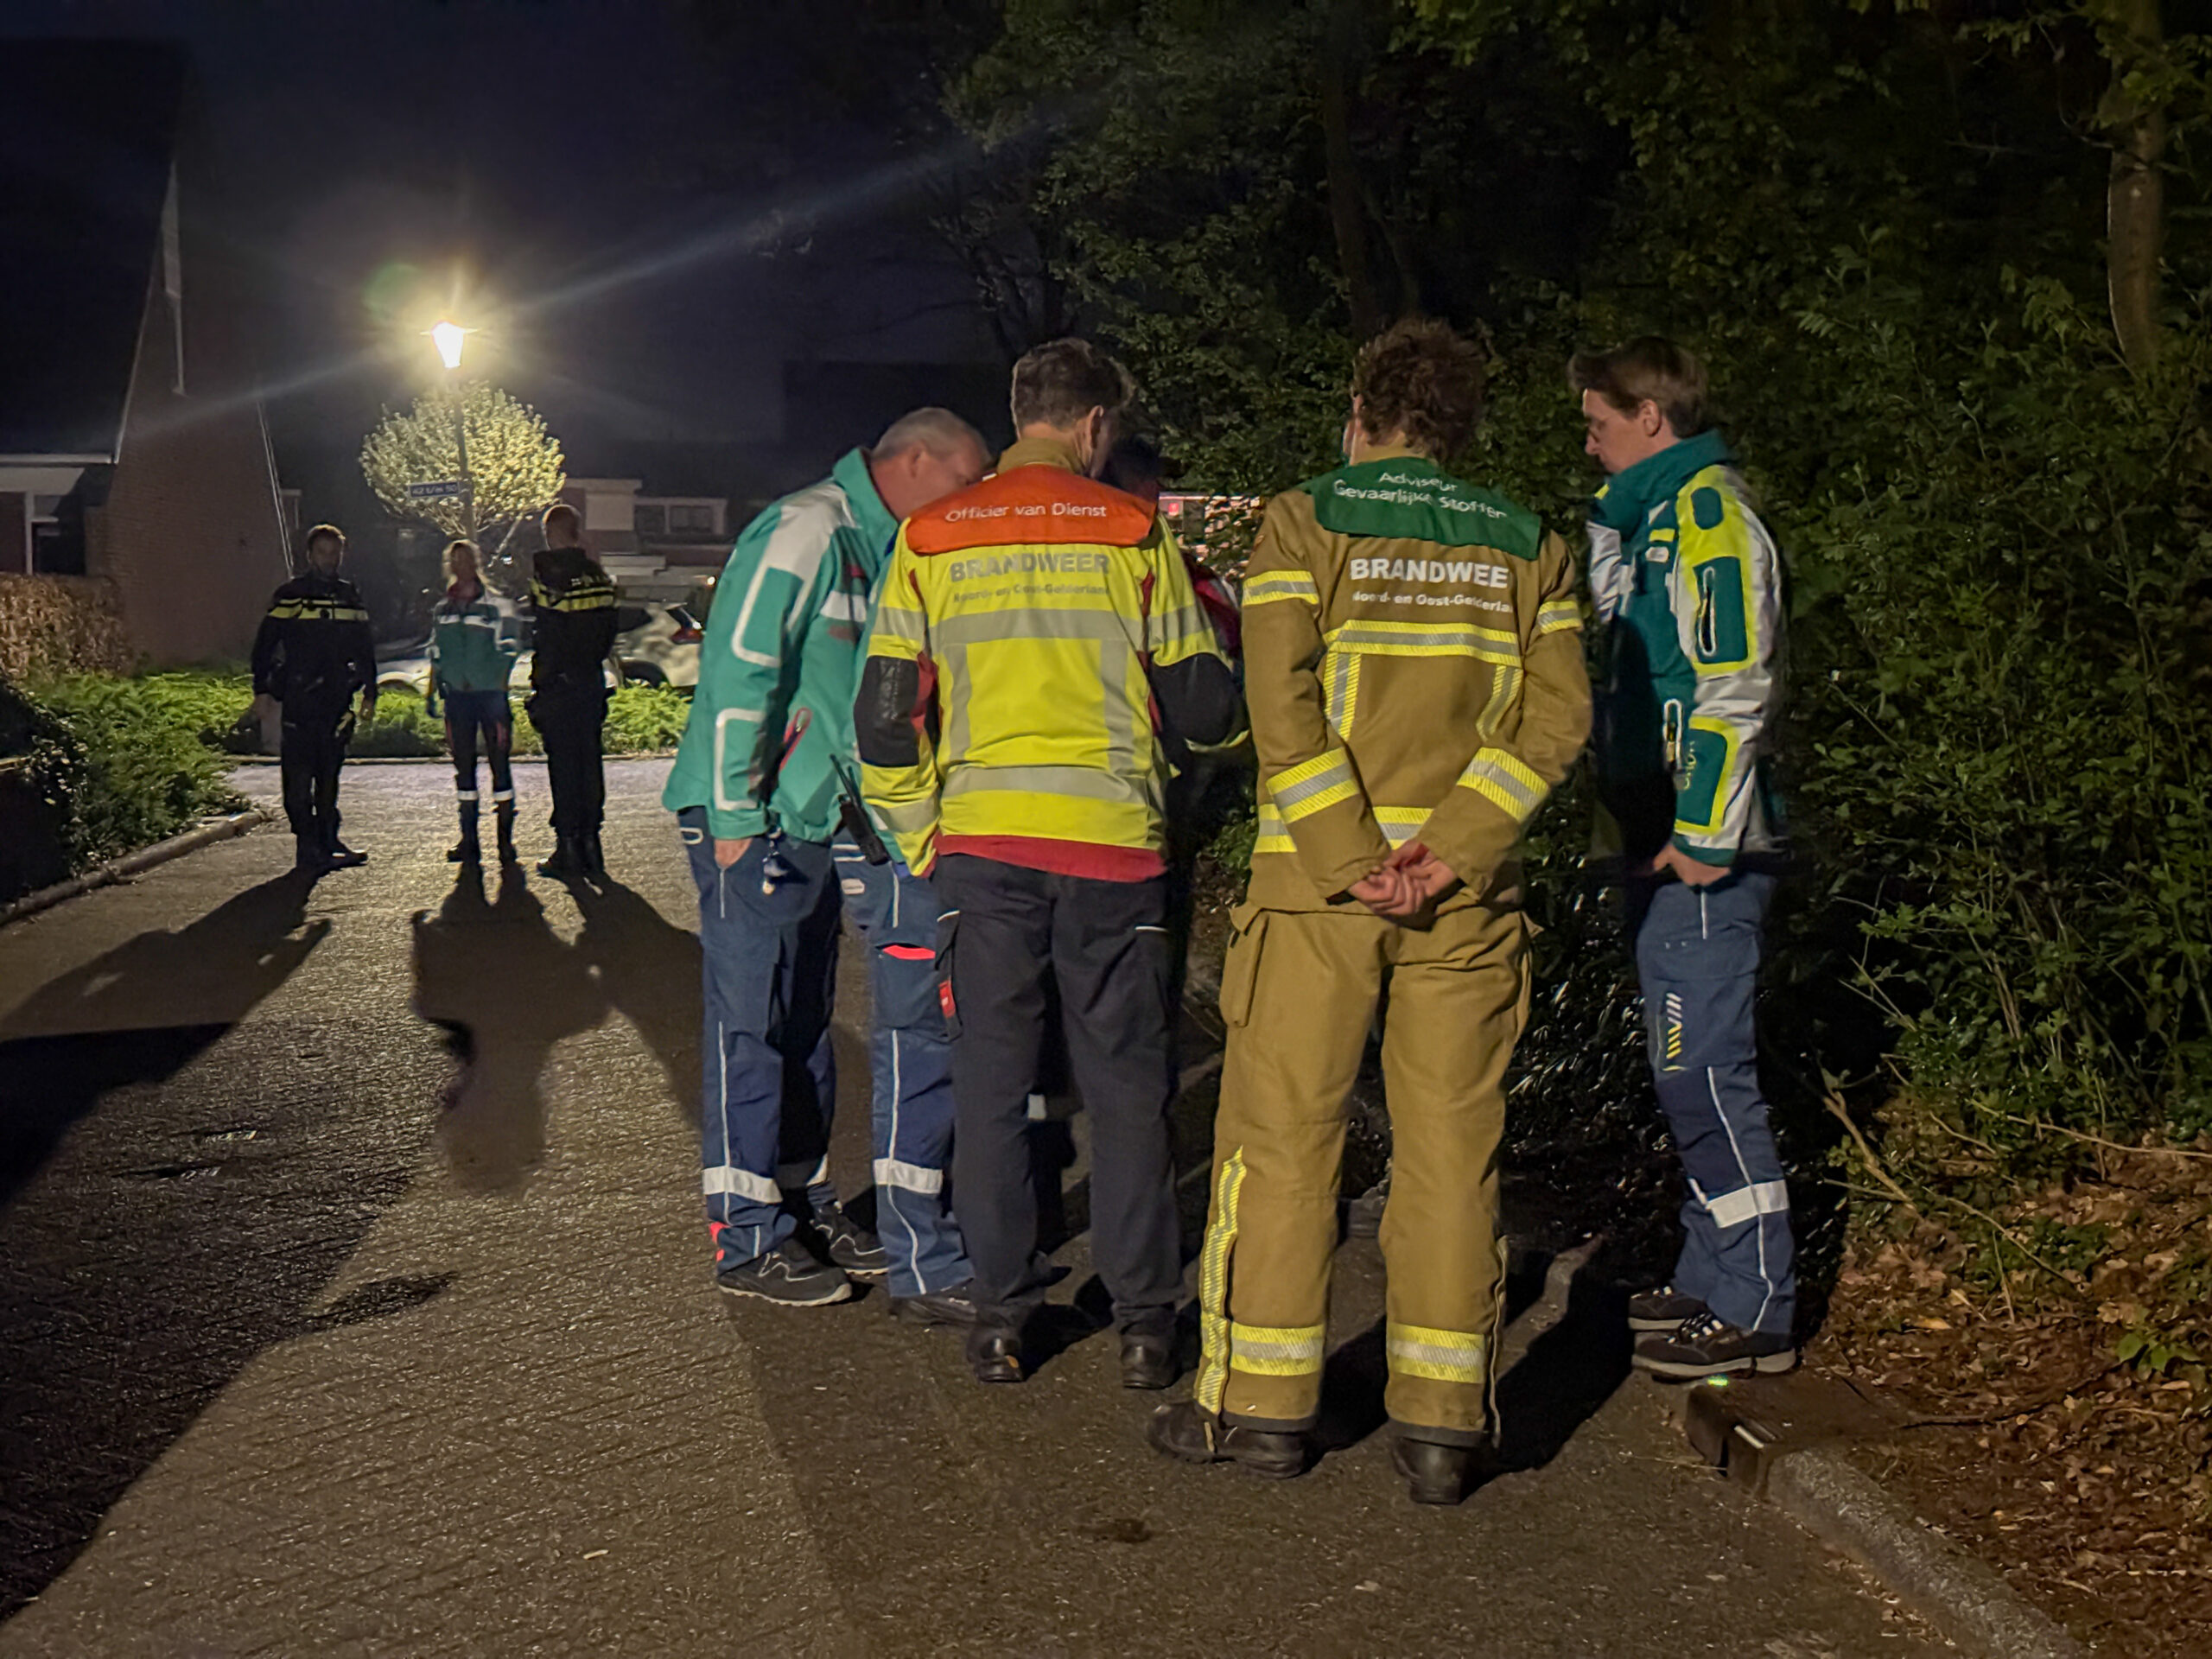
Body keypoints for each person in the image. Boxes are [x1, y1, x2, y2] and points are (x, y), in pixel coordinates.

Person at [1147, 319, 1591, 1505]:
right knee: (1453, 1154)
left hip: (1316, 892)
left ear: (1363, 412)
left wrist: (1356, 857)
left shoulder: (1304, 520)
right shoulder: (1528, 545)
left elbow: (1280, 702)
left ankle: (1260, 1411)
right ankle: (1444, 1430)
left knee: (1284, 1145)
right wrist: (1446, 854)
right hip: (1468, 903)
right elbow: (1555, 725)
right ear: (1463, 425)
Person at [858, 339, 1242, 1389]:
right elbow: (1206, 708)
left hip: (983, 850)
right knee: (1125, 1089)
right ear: (1093, 427)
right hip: (1112, 851)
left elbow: (886, 719)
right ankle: (1144, 1321)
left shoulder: (929, 539)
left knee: (989, 1084)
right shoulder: (1130, 532)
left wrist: (923, 836)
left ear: (1021, 411)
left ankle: (1001, 1315)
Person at [664, 409, 992, 1308]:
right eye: (965, 481)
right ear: (915, 461)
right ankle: (743, 1234)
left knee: (800, 1013)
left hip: (811, 814)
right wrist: (734, 804)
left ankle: (798, 1202)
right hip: (755, 815)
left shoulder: (880, 543)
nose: (970, 502)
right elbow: (742, 661)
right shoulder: (813, 526)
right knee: (750, 1018)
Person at [1572, 336, 1796, 1379]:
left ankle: (1756, 1300)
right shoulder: (1653, 519)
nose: (1589, 443)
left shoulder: (1706, 516)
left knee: (1703, 1067)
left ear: (1650, 418)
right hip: (1657, 836)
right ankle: (1711, 1274)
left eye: (1598, 423)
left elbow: (1731, 681)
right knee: (1681, 1069)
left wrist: (1703, 837)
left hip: (1701, 849)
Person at [252, 524, 377, 874]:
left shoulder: (349, 596)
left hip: (336, 700)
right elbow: (264, 645)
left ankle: (327, 841)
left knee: (329, 776)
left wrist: (371, 690)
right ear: (309, 555)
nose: (329, 559)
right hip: (299, 698)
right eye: (322, 552)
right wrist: (261, 690)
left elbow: (364, 647)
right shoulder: (291, 595)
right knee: (298, 778)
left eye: (335, 552)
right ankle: (307, 843)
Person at [424, 538, 524, 865]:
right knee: (463, 771)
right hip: (457, 700)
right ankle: (469, 841)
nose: (461, 565)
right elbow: (435, 653)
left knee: (500, 768)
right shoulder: (443, 610)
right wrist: (435, 689)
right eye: (455, 560)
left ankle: (505, 843)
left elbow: (510, 647)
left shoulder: (497, 605)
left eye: (466, 558)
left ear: (477, 562)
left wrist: (493, 678)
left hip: (490, 697)